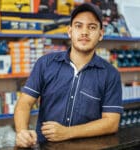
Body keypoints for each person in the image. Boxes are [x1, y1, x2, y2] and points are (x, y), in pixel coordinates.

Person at [14, 2, 123, 148]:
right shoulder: (45, 64)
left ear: (101, 34)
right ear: (70, 31)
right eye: (78, 26)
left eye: (92, 27)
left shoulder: (110, 74)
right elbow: (24, 103)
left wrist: (68, 132)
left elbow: (111, 122)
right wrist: (22, 131)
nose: (84, 32)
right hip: (46, 146)